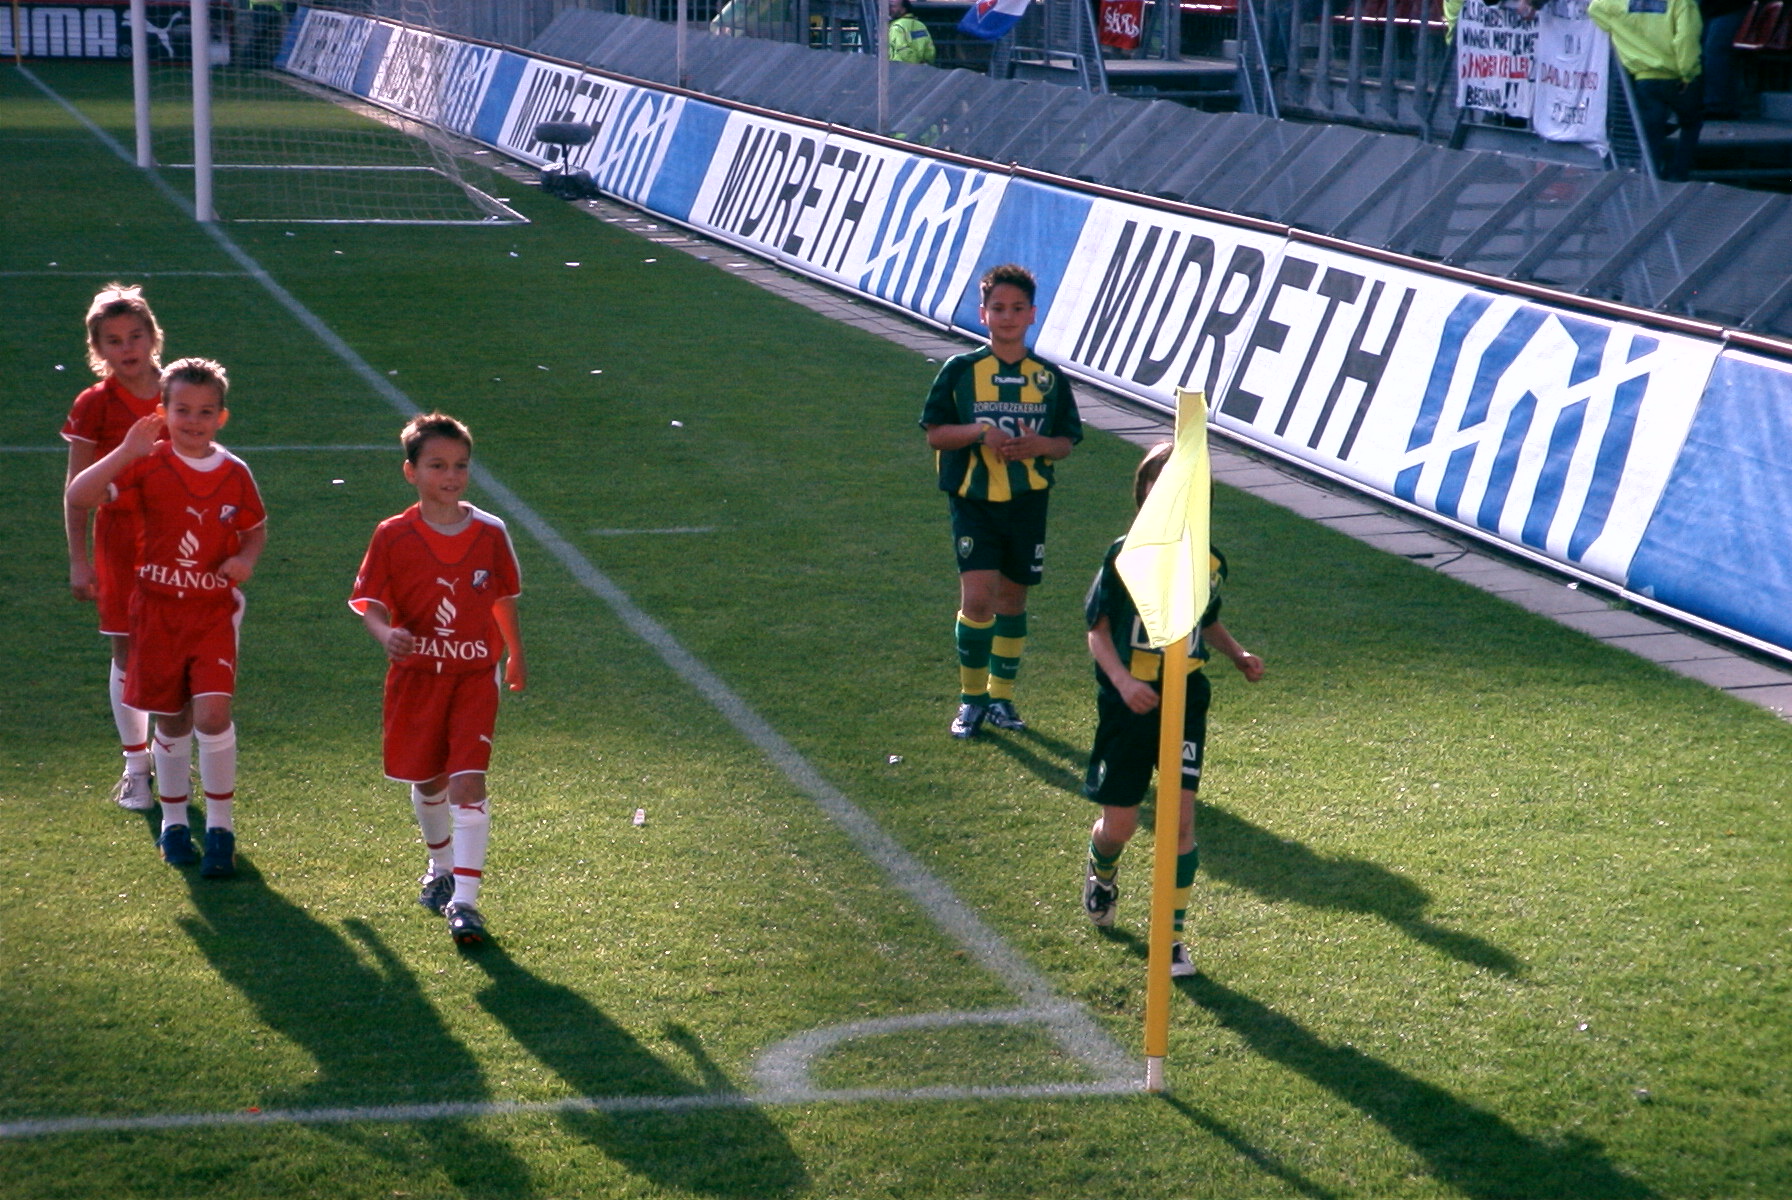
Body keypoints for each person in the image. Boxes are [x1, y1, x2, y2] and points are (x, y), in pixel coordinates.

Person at [66, 358, 267, 879]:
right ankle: (174, 824)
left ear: (221, 417)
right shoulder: (147, 464)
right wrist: (126, 452)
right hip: (155, 614)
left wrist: (245, 559)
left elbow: (254, 530)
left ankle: (220, 827)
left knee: (213, 716)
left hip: (211, 615)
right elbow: (80, 497)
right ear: (164, 411)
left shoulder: (234, 472)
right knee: (173, 720)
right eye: (182, 410)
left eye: (205, 412)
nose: (193, 421)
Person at [1080, 441, 1263, 977]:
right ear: (1142, 495)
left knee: (1181, 824)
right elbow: (1098, 630)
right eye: (1158, 488)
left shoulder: (1210, 561)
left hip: (1187, 701)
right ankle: (1103, 869)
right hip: (1129, 704)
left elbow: (1204, 619)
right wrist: (1121, 681)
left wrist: (1236, 653)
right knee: (1121, 824)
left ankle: (1173, 940)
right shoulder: (1123, 555)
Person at [350, 413, 525, 948]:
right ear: (411, 472)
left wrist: (515, 655)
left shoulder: (491, 533)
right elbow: (370, 604)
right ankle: (440, 865)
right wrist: (385, 635)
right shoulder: (393, 536)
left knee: (468, 781)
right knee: (426, 779)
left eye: (460, 466)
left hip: (474, 677)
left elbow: (503, 599)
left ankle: (466, 904)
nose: (451, 476)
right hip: (417, 679)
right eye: (437, 466)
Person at [920, 263, 1082, 739]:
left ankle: (1001, 700)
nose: (1007, 317)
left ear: (1032, 314)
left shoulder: (1048, 378)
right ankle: (971, 701)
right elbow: (935, 434)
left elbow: (1066, 442)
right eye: (998, 309)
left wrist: (1040, 447)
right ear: (982, 314)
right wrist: (980, 433)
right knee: (977, 598)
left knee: (1013, 600)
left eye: (1016, 309)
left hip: (1027, 503)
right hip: (974, 500)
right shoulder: (961, 371)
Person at [62, 284, 166, 812]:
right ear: (98, 349)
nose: (127, 348)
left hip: (178, 539)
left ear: (153, 336)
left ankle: (171, 764)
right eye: (114, 340)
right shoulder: (93, 404)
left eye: (135, 336)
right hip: (122, 540)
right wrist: (79, 559)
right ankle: (136, 767)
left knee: (175, 649)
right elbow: (77, 487)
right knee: (126, 648)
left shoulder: (179, 391)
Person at [1589, 0, 1703, 181]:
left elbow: (1595, 9)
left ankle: (1652, 177)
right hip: (1676, 76)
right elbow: (1686, 37)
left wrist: (1620, 31)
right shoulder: (1682, 2)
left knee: (1652, 131)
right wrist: (1687, 73)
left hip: (1644, 77)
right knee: (1691, 122)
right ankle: (1678, 174)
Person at [889, 0, 936, 64]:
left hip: (900, 69)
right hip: (922, 69)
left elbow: (902, 50)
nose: (890, 9)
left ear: (903, 9)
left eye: (893, 6)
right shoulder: (921, 25)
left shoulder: (897, 27)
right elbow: (930, 50)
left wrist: (914, 65)